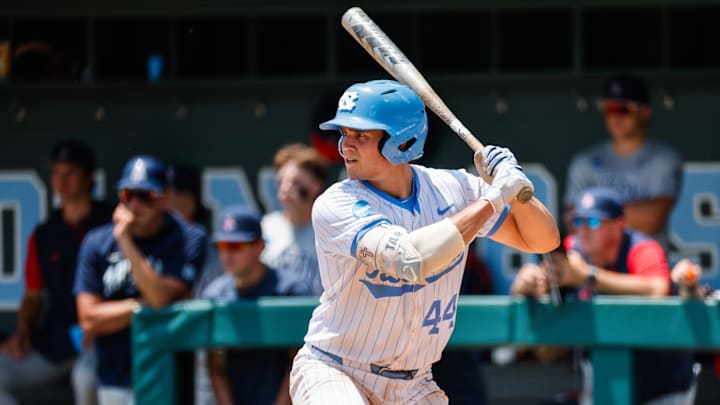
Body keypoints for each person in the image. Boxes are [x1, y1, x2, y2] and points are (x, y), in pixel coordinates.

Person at [289, 79, 559, 404]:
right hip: (336, 368)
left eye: (360, 136)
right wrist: (495, 197)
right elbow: (412, 259)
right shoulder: (337, 204)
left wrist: (516, 192)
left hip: (413, 383)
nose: (345, 145)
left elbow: (543, 240)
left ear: (401, 141)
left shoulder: (454, 189)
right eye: (344, 134)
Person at [512, 186, 697, 405]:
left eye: (593, 222)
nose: (583, 231)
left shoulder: (641, 247)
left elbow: (658, 289)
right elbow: (544, 281)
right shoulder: (574, 247)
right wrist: (527, 284)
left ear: (618, 226)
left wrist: (588, 277)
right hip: (608, 376)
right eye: (578, 222)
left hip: (664, 380)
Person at [74, 155, 199, 405]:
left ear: (166, 198)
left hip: (167, 372)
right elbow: (89, 318)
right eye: (127, 194)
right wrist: (139, 306)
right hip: (113, 371)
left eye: (147, 195)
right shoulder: (97, 242)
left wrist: (126, 243)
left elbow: (159, 297)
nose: (135, 204)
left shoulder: (187, 237)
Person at [0, 139, 111, 405]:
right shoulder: (45, 234)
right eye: (56, 172)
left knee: (86, 378)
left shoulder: (111, 226)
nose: (61, 181)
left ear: (89, 178)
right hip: (59, 339)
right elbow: (34, 294)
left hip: (104, 337)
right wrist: (24, 331)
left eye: (70, 172)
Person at [201, 205, 312, 405]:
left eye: (236, 246)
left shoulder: (290, 290)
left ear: (259, 246)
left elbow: (298, 360)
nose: (227, 254)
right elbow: (216, 366)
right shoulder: (214, 295)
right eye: (222, 246)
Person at [563, 75, 683, 250]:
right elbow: (573, 223)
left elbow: (652, 219)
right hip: (595, 267)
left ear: (645, 112)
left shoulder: (664, 159)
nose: (615, 116)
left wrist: (594, 218)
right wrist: (631, 214)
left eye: (624, 109)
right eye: (609, 109)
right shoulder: (585, 162)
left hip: (645, 267)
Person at [261, 143, 329, 296]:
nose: (285, 188)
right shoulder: (266, 226)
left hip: (313, 314)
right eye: (281, 181)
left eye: (295, 182)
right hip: (272, 312)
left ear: (316, 187)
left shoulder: (329, 231)